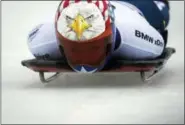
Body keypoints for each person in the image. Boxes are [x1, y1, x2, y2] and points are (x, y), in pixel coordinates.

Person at [27, 0, 170, 73]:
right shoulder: (44, 39)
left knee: (161, 16)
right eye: (74, 50)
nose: (84, 62)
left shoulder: (133, 36)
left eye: (94, 48)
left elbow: (159, 44)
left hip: (135, 6)